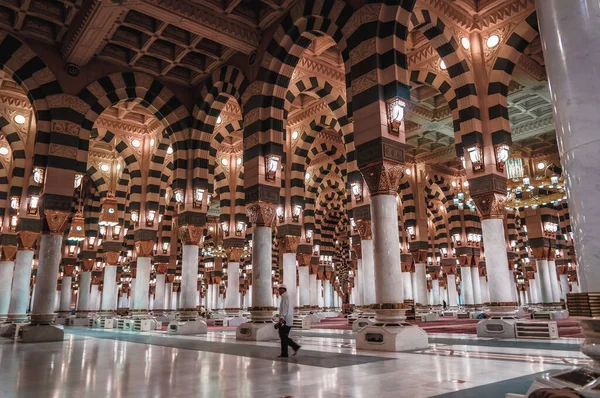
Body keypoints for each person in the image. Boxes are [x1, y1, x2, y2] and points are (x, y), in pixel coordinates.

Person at [277, 284, 301, 358]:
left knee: (283, 336)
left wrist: (282, 318)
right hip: (288, 319)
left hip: (285, 320)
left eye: (279, 289)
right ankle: (285, 353)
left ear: (283, 289)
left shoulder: (285, 297)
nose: (278, 291)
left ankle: (294, 346)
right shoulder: (287, 297)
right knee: (284, 336)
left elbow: (285, 308)